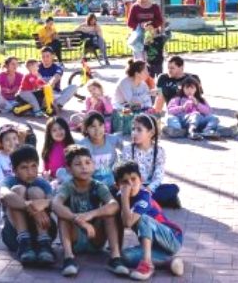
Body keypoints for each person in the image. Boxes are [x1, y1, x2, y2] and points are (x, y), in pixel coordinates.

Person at [52, 145, 128, 277]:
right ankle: (69, 258)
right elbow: (56, 204)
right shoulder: (67, 186)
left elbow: (114, 205)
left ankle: (115, 258)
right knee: (63, 214)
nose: (84, 167)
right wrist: (77, 219)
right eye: (78, 164)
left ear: (93, 165)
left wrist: (90, 215)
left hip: (95, 238)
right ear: (69, 169)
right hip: (74, 237)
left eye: (88, 162)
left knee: (108, 213)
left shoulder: (98, 186)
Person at [114, 161, 185, 279]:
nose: (130, 185)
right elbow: (121, 221)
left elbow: (128, 222)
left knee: (143, 218)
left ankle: (147, 264)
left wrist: (124, 198)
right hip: (155, 245)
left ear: (140, 180)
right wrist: (117, 249)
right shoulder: (120, 196)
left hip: (172, 238)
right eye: (125, 182)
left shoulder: (144, 196)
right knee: (125, 256)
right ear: (117, 185)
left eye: (133, 179)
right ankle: (168, 262)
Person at [0, 144, 57, 267]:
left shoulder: (42, 183)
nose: (30, 172)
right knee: (17, 190)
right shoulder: (9, 180)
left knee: (35, 191)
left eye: (34, 166)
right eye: (24, 168)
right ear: (14, 170)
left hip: (44, 231)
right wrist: (29, 206)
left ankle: (44, 243)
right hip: (14, 236)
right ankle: (25, 242)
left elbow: (55, 203)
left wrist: (44, 203)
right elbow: (3, 195)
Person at [126, 114, 180, 207]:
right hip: (134, 187)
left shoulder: (159, 151)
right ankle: (151, 201)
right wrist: (140, 188)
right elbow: (127, 174)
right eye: (133, 129)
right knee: (125, 192)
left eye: (139, 130)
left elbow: (159, 175)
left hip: (152, 187)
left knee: (173, 188)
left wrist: (150, 189)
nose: (134, 133)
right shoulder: (128, 150)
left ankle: (147, 200)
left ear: (151, 133)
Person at [164, 76, 219, 140]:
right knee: (195, 114)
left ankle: (207, 130)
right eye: (187, 88)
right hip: (184, 119)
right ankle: (191, 131)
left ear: (196, 89)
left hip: (200, 119)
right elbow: (170, 110)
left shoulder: (200, 100)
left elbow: (208, 111)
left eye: (192, 88)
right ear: (183, 89)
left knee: (214, 118)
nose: (189, 90)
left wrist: (197, 104)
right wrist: (182, 107)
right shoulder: (177, 99)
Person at [77, 112, 123, 187]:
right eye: (93, 126)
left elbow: (127, 149)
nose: (97, 129)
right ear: (86, 129)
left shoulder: (112, 139)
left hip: (111, 179)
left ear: (104, 126)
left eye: (100, 125)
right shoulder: (83, 145)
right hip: (91, 181)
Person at [126, 0, 164, 68]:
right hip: (139, 38)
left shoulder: (154, 7)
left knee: (151, 60)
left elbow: (160, 20)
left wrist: (151, 25)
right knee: (139, 62)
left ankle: (151, 77)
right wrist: (141, 25)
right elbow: (130, 23)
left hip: (152, 36)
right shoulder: (135, 7)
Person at [36, 48, 79, 113]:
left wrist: (50, 84)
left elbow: (57, 76)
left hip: (55, 94)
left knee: (74, 87)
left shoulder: (57, 67)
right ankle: (48, 106)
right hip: (42, 94)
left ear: (52, 56)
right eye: (43, 57)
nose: (45, 59)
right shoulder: (37, 67)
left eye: (47, 56)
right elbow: (36, 76)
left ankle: (56, 105)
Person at [41, 116, 76, 183]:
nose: (58, 132)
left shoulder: (73, 147)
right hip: (54, 180)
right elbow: (45, 168)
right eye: (54, 130)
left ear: (66, 129)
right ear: (49, 133)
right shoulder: (48, 148)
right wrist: (45, 174)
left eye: (61, 128)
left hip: (70, 179)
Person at [0, 124, 21, 188]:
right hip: (4, 187)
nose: (12, 142)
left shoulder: (21, 154)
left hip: (19, 185)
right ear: (1, 143)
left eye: (14, 138)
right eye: (7, 139)